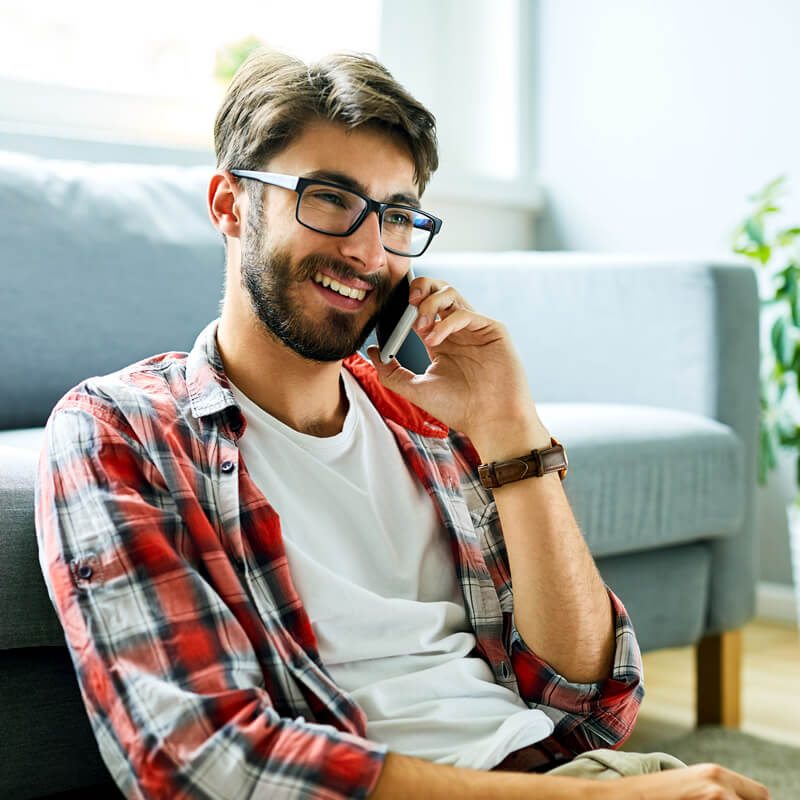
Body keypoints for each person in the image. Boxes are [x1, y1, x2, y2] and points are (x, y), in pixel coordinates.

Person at [35, 49, 768, 800]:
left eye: (394, 215)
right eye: (328, 198)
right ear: (229, 206)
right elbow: (204, 762)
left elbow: (589, 703)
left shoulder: (421, 418)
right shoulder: (121, 433)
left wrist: (510, 429)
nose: (367, 250)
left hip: (570, 774)